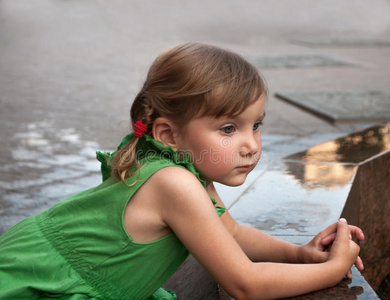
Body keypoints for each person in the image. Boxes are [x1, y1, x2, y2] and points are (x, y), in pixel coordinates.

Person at [0, 43, 364, 300]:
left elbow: (232, 232)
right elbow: (245, 284)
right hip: (40, 285)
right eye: (228, 129)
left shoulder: (184, 169)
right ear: (168, 135)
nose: (251, 144)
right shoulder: (174, 183)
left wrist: (300, 254)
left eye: (256, 125)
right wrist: (332, 271)